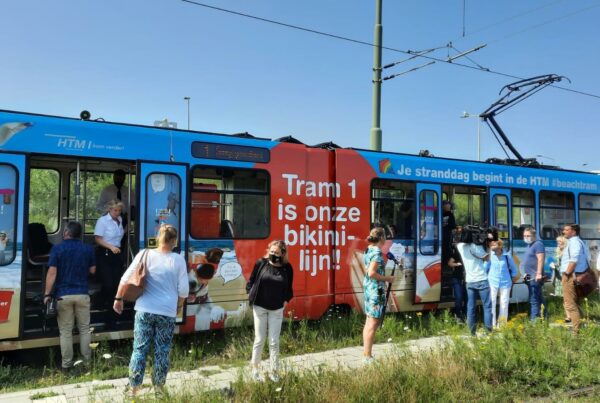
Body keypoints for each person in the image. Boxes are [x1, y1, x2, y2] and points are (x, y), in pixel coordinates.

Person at [114, 225, 188, 397]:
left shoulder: (145, 254)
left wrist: (118, 300)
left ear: (158, 237)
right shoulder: (178, 260)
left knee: (139, 350)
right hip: (166, 313)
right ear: (174, 241)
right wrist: (177, 307)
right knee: (162, 351)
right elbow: (183, 291)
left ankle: (133, 389)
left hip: (144, 310)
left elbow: (125, 279)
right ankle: (159, 390)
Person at [43, 222, 96, 371]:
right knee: (85, 329)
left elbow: (52, 272)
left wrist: (47, 294)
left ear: (66, 232)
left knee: (65, 331)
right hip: (82, 294)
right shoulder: (88, 249)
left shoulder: (57, 248)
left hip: (63, 295)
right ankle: (86, 363)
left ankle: (67, 365)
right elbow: (92, 270)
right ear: (79, 234)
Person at [246, 240, 294, 382]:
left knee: (274, 342)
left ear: (283, 254)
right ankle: (255, 370)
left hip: (276, 310)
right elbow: (251, 280)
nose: (273, 254)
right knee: (259, 339)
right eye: (271, 251)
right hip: (259, 307)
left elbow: (289, 289)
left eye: (277, 253)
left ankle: (274, 372)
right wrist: (249, 292)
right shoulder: (261, 263)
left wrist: (285, 301)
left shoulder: (287, 268)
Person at [360, 227, 395, 363]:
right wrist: (388, 279)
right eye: (385, 236)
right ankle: (367, 357)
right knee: (373, 323)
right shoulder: (377, 252)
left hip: (369, 288)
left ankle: (366, 354)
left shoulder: (368, 249)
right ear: (381, 238)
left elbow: (367, 270)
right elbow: (372, 273)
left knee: (369, 321)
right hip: (375, 290)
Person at [94, 199, 125, 329]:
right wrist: (111, 247)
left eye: (119, 211)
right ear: (109, 209)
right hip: (105, 253)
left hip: (116, 253)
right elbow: (97, 239)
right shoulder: (102, 221)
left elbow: (120, 235)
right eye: (115, 210)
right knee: (108, 284)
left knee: (116, 283)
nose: (117, 213)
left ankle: (112, 311)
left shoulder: (120, 220)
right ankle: (105, 308)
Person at [560, 224, 589, 334]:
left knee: (570, 304)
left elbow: (574, 260)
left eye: (566, 230)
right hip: (576, 275)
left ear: (574, 231)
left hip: (571, 275)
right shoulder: (578, 241)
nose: (564, 231)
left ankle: (576, 332)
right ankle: (580, 328)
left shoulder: (575, 242)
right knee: (576, 303)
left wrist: (567, 274)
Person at [484, 239, 519, 328]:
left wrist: (513, 279)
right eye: (490, 245)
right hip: (492, 281)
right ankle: (492, 324)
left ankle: (502, 325)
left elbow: (514, 269)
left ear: (500, 246)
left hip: (506, 282)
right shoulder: (490, 256)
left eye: (493, 245)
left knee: (504, 303)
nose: (491, 246)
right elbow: (485, 268)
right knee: (492, 302)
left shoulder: (507, 256)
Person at [465, 242, 492, 335]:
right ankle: (488, 331)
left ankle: (472, 333)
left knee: (471, 307)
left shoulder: (460, 246)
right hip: (482, 279)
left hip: (470, 281)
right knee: (487, 306)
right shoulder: (477, 246)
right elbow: (487, 258)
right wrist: (488, 247)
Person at [522, 227, 547, 321]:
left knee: (534, 300)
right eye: (524, 236)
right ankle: (544, 317)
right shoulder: (529, 245)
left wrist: (539, 273)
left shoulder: (538, 244)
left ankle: (534, 322)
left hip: (535, 277)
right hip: (529, 276)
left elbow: (541, 259)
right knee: (539, 298)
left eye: (528, 235)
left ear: (534, 235)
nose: (526, 237)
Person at [447, 245, 466, 322]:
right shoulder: (457, 254)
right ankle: (458, 315)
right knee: (459, 298)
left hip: (466, 279)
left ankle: (465, 315)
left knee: (466, 298)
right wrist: (457, 264)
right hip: (457, 278)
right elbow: (450, 263)